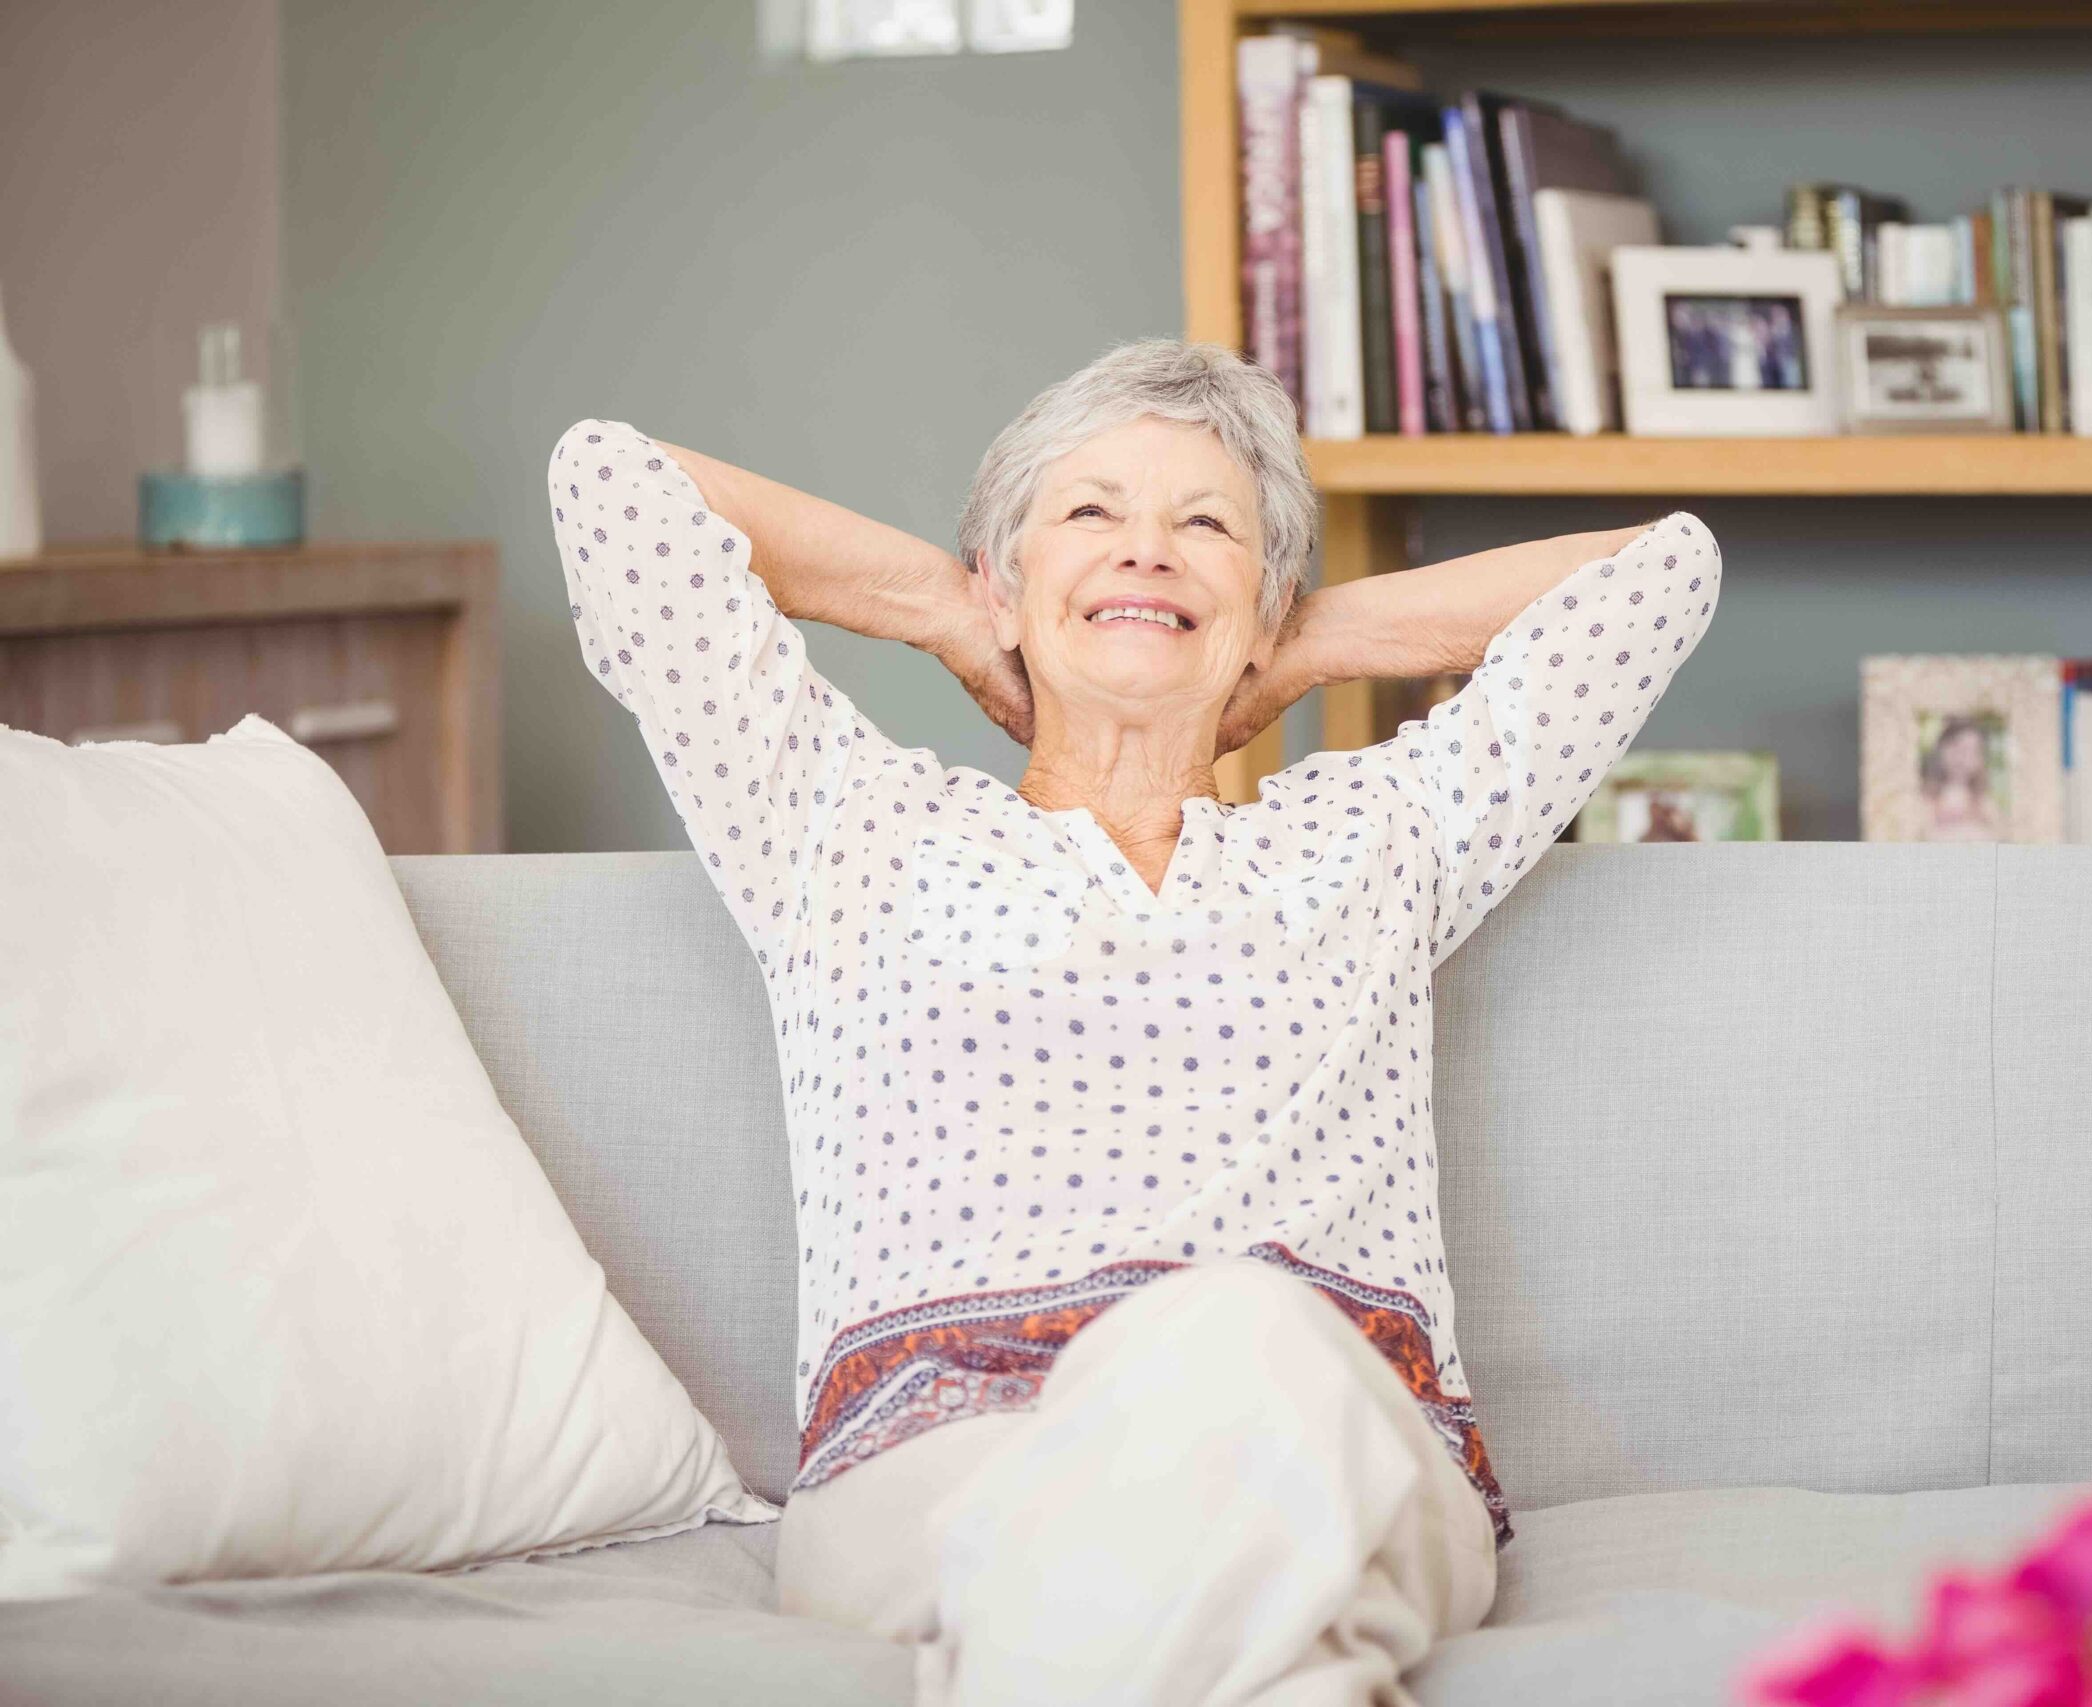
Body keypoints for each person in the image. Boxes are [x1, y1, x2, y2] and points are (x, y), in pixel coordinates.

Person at [548, 337, 1721, 1706]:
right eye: (1092, 515)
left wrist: (1297, 641)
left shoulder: (1375, 839)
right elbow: (610, 486)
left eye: (1207, 527)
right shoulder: (846, 828)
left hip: (1328, 1436)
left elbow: (1662, 573)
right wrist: (946, 603)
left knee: (1247, 1342)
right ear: (1008, 576)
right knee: (1236, 1474)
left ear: (1269, 596)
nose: (1147, 551)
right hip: (955, 1453)